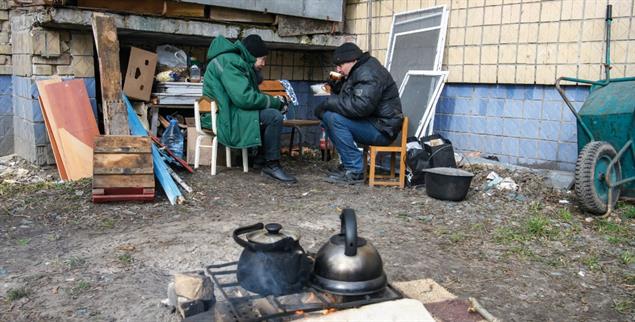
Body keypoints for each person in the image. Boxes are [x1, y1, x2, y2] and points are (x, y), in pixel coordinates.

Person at [203, 34, 297, 183]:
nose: (264, 64)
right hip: (226, 115)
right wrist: (277, 102)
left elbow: (246, 97)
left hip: (228, 111)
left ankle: (259, 159)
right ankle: (271, 165)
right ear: (252, 56)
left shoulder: (234, 61)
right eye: (263, 59)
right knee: (273, 116)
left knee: (267, 115)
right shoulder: (231, 62)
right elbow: (245, 99)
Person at [314, 42, 403, 184]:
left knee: (334, 118)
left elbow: (361, 107)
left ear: (352, 60)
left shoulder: (369, 72)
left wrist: (329, 103)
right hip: (373, 123)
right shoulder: (357, 70)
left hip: (382, 129)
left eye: (340, 66)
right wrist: (335, 84)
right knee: (327, 118)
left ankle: (356, 170)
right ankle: (349, 164)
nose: (338, 69)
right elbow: (350, 98)